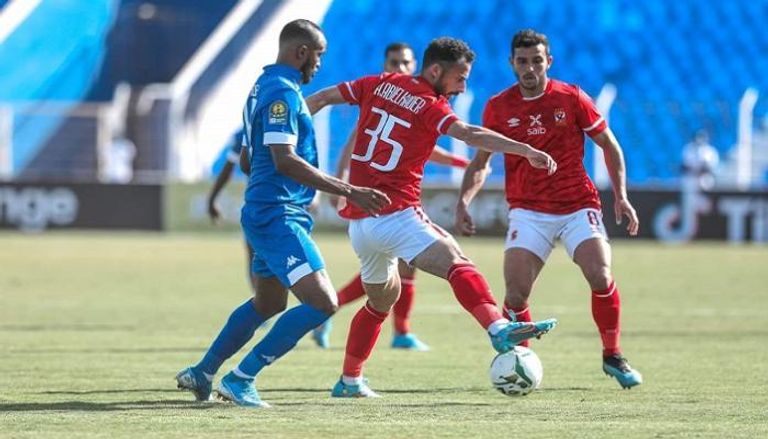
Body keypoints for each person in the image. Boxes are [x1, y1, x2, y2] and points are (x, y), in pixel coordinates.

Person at [306, 36, 559, 398]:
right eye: (460, 78)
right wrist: (525, 149)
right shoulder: (429, 104)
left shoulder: (380, 83)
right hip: (395, 215)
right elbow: (468, 133)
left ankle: (349, 381)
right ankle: (498, 327)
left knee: (380, 303)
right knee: (457, 261)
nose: (463, 86)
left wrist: (287, 127)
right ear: (436, 70)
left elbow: (321, 98)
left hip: (361, 226)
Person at [175, 19, 390, 408]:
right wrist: (349, 190)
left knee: (269, 303)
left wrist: (272, 182)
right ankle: (241, 379)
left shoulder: (260, 89)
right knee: (323, 303)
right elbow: (284, 159)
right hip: (278, 216)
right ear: (301, 52)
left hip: (267, 211)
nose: (320, 64)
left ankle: (204, 371)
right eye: (318, 55)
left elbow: (247, 158)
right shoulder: (282, 95)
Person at [455, 29, 642, 389]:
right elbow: (481, 162)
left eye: (536, 61)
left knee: (600, 274)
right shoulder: (498, 106)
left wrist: (620, 196)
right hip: (528, 210)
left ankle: (613, 355)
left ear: (548, 62)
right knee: (515, 295)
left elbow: (610, 145)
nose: (529, 68)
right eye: (522, 61)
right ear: (512, 63)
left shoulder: (571, 98)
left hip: (577, 205)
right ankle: (521, 359)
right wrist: (464, 201)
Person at [311, 42, 471, 352]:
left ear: (416, 66)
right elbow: (352, 146)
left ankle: (397, 331)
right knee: (391, 272)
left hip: (400, 199)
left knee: (398, 271)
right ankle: (337, 311)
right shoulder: (380, 97)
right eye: (394, 62)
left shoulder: (415, 101)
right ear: (385, 63)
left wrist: (457, 162)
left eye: (405, 62)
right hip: (376, 202)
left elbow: (423, 149)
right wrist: (342, 185)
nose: (399, 68)